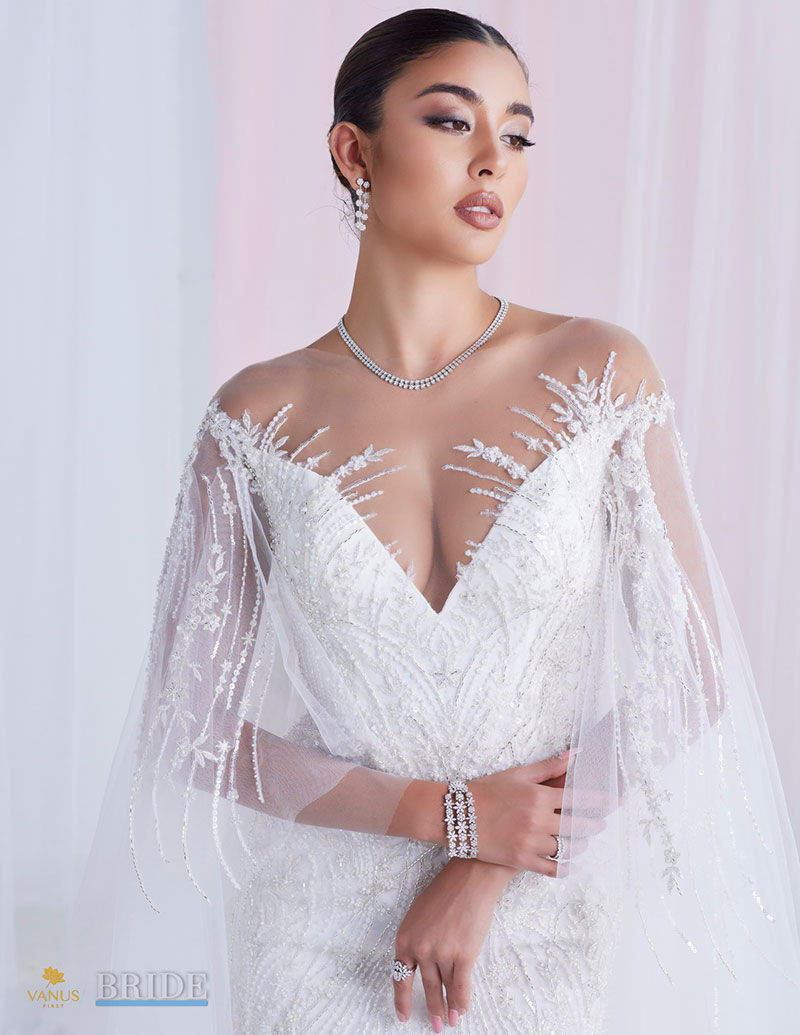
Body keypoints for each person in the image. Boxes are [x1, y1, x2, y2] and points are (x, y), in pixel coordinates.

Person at [68, 9, 800, 1035]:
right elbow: (190, 724)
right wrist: (442, 814)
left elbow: (690, 675)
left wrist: (488, 859)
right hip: (312, 934)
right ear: (353, 151)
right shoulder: (256, 415)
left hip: (538, 917)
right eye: (454, 121)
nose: (494, 158)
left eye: (519, 132)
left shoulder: (598, 372)